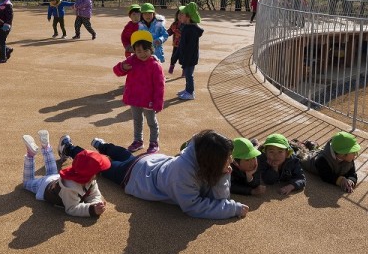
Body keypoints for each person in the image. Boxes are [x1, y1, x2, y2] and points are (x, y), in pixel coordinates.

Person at [60, 130, 249, 220]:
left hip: (150, 162)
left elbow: (219, 197)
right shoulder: (184, 175)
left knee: (123, 154)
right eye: (227, 157)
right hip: (134, 177)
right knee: (97, 163)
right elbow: (194, 207)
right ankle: (69, 148)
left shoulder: (199, 156)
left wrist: (223, 175)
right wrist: (233, 209)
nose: (231, 160)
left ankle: (102, 145)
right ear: (211, 161)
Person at [22, 130, 109, 218]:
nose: (98, 174)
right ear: (89, 174)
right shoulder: (70, 188)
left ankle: (46, 147)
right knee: (27, 183)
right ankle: (30, 155)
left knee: (51, 172)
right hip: (44, 186)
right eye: (97, 172)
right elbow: (72, 208)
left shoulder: (90, 179)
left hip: (55, 178)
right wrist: (91, 210)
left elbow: (94, 195)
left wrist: (96, 204)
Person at [114, 30, 166, 154]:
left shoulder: (155, 65)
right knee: (137, 121)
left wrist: (158, 103)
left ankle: (154, 142)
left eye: (145, 50)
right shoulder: (132, 60)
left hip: (149, 100)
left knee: (151, 122)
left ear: (151, 49)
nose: (142, 54)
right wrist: (122, 67)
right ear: (134, 51)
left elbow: (160, 86)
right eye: (138, 51)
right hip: (134, 98)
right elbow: (116, 71)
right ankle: (138, 141)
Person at [177, 2, 203, 101]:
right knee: (187, 74)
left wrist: (186, 59)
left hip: (190, 58)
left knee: (189, 75)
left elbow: (190, 47)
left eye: (182, 14)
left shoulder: (191, 30)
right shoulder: (187, 27)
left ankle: (190, 92)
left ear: (187, 17)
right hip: (187, 57)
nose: (179, 16)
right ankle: (187, 90)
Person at [166, 9, 182, 75]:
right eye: (179, 14)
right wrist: (164, 34)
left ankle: (184, 70)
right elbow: (169, 31)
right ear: (177, 15)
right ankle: (172, 66)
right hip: (176, 45)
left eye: (183, 14)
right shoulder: (174, 24)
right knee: (173, 57)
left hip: (184, 46)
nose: (181, 16)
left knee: (183, 59)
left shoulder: (187, 25)